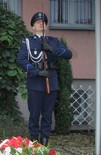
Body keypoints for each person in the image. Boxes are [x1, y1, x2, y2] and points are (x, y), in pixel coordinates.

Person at [16, 12, 72, 146]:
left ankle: (44, 145)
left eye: (44, 22)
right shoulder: (28, 42)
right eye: (38, 22)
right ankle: (34, 143)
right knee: (34, 115)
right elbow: (20, 60)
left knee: (47, 116)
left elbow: (68, 54)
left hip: (51, 82)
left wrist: (52, 49)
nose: (41, 23)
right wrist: (36, 72)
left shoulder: (54, 41)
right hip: (35, 83)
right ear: (33, 27)